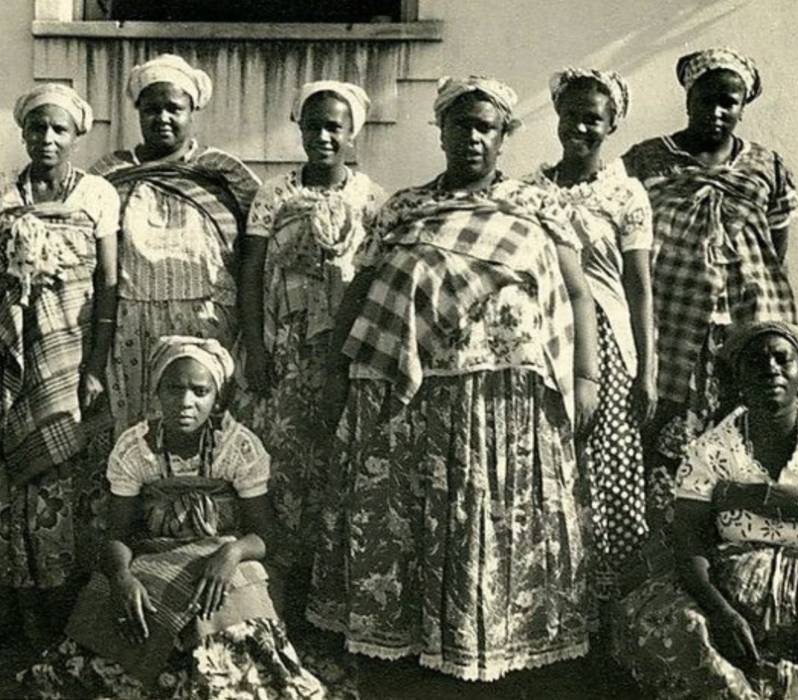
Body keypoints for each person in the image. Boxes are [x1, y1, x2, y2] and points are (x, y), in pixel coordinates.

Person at [306, 75, 600, 682]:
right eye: (460, 125)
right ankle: (405, 635)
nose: (472, 138)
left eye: (485, 127)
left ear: (504, 137)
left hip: (504, 400)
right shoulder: (405, 207)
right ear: (440, 131)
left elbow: (576, 292)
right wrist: (337, 365)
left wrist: (587, 377)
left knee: (491, 513)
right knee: (409, 514)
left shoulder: (539, 206)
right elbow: (362, 289)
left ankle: (499, 637)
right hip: (406, 398)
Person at [20, 336, 331, 699]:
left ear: (217, 398)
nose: (186, 402)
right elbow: (118, 533)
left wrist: (229, 555)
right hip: (156, 553)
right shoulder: (135, 447)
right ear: (157, 392)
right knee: (124, 610)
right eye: (174, 389)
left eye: (200, 391)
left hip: (227, 554)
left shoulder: (239, 446)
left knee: (223, 618)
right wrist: (121, 576)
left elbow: (265, 534)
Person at [0, 84, 120, 645]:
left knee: (55, 470)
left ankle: (57, 612)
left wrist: (95, 365)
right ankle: (7, 611)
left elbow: (110, 284)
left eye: (58, 129)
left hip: (66, 356)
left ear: (75, 135)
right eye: (37, 128)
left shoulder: (97, 195)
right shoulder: (0, 190)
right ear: (23, 133)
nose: (47, 138)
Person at [612, 320, 798, 699]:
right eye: (756, 362)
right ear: (739, 380)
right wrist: (720, 612)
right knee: (656, 625)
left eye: (783, 359)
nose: (771, 369)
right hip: (728, 586)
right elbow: (689, 541)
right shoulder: (712, 449)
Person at [622, 48, 798, 482]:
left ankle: (742, 517)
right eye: (708, 99)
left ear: (743, 106)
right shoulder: (647, 160)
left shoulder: (766, 164)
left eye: (730, 101)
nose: (718, 111)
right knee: (666, 422)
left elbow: (776, 240)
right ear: (688, 99)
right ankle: (672, 528)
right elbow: (625, 235)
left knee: (748, 412)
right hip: (672, 315)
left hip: (749, 314)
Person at [235, 80, 385, 600]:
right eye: (313, 125)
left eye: (334, 127)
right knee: (279, 461)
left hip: (344, 348)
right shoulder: (275, 193)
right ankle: (276, 584)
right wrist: (255, 347)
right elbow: (251, 272)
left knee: (336, 459)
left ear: (352, 135)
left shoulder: (371, 198)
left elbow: (378, 279)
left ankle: (330, 591)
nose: (323, 136)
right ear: (299, 128)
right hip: (284, 345)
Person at [524, 68, 655, 607]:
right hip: (544, 341)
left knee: (609, 469)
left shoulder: (625, 194)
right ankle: (550, 601)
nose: (578, 127)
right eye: (570, 115)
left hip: (607, 343)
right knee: (547, 465)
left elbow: (640, 287)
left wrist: (647, 370)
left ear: (612, 125)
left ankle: (610, 609)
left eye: (592, 118)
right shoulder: (529, 190)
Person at [90, 53, 261, 436]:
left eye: (174, 108)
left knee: (210, 432)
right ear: (137, 112)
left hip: (209, 324)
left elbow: (258, 251)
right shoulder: (108, 176)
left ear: (192, 110)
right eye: (151, 109)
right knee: (138, 431)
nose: (162, 118)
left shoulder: (225, 173)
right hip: (132, 325)